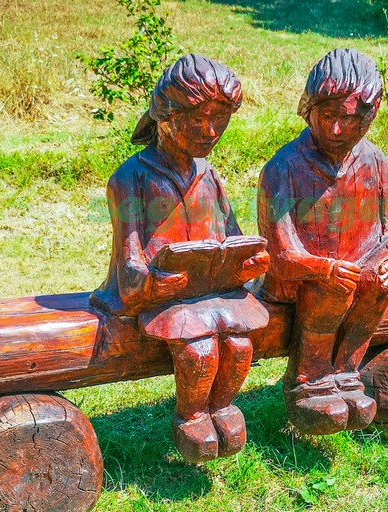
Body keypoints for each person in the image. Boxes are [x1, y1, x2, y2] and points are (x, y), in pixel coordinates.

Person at [91, 54, 269, 462]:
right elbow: (128, 260)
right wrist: (151, 282)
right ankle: (190, 416)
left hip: (209, 292)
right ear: (166, 115)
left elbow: (235, 236)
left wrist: (250, 261)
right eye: (199, 119)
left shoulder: (210, 175)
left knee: (240, 346)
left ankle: (221, 406)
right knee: (198, 351)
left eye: (220, 120)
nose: (211, 132)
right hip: (160, 295)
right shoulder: (130, 178)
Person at [257, 48, 388, 435]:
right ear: (308, 110)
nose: (338, 130)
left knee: (376, 280)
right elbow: (278, 255)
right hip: (295, 283)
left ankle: (347, 370)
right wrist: (324, 268)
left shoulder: (375, 163)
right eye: (328, 116)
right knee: (332, 287)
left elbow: (385, 233)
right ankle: (308, 378)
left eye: (351, 119)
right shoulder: (283, 168)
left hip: (352, 276)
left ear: (369, 118)